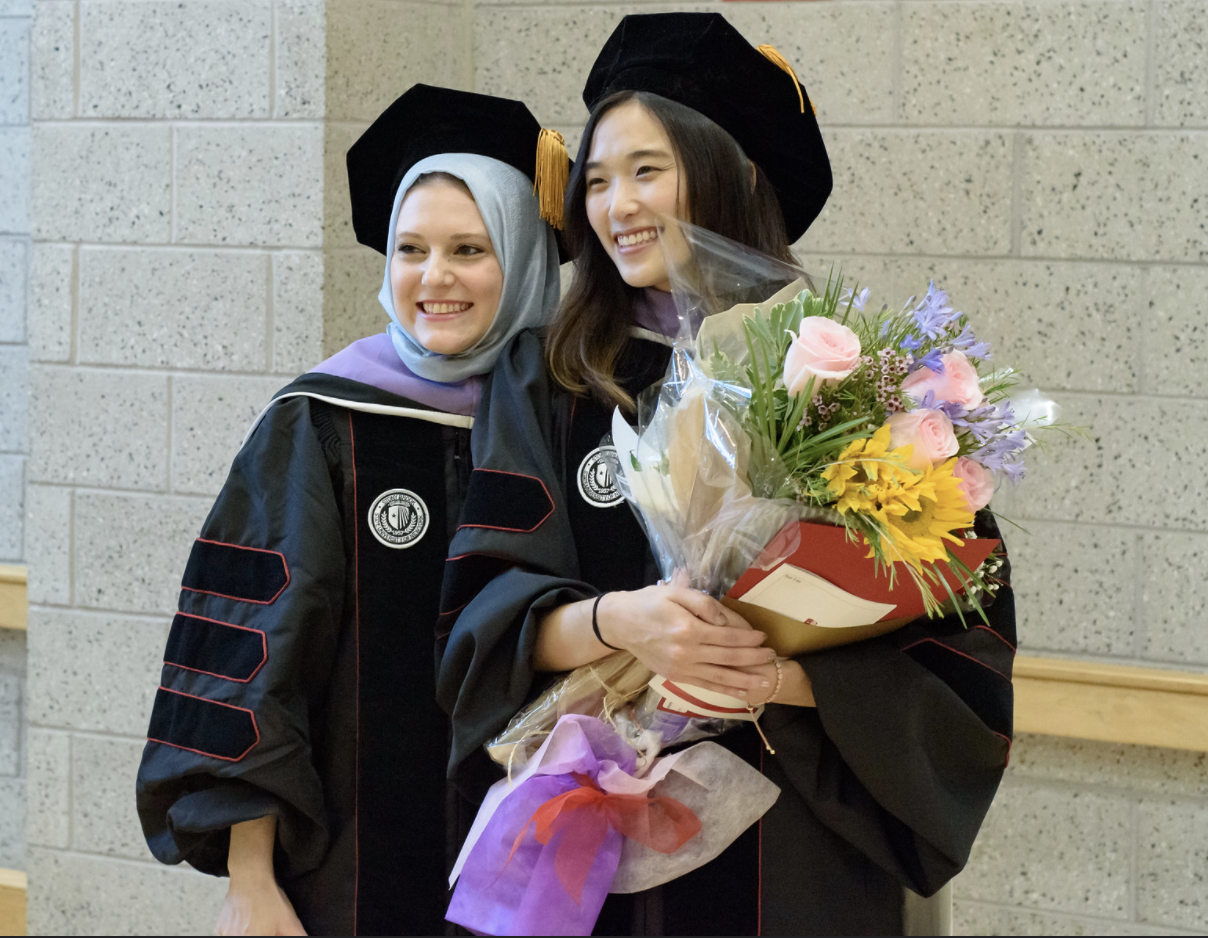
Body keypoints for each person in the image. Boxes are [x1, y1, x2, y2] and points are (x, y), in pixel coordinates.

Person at [437, 14, 1016, 936]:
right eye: (595, 181)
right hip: (597, 838)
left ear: (731, 173)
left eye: (646, 171)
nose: (615, 205)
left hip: (800, 849)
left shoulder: (852, 373)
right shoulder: (547, 375)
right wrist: (620, 623)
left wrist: (774, 680)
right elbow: (478, 618)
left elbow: (956, 642)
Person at [135, 84, 567, 936]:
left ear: (522, 261)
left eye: (469, 249)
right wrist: (249, 880)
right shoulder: (323, 420)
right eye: (411, 249)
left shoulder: (575, 419)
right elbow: (251, 659)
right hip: (354, 873)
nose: (434, 278)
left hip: (553, 872)